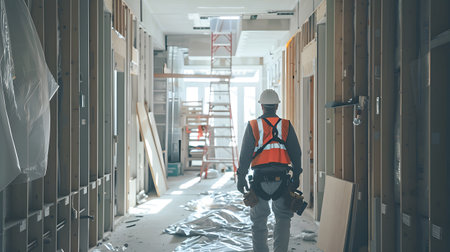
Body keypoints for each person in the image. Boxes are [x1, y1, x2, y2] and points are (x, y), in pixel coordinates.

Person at [237, 89, 302, 252]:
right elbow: (296, 153)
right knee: (283, 219)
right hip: (282, 179)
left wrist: (241, 177)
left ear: (262, 106)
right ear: (277, 106)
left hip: (259, 180)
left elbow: (245, 154)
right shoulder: (285, 125)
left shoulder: (253, 125)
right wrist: (297, 175)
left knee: (258, 220)